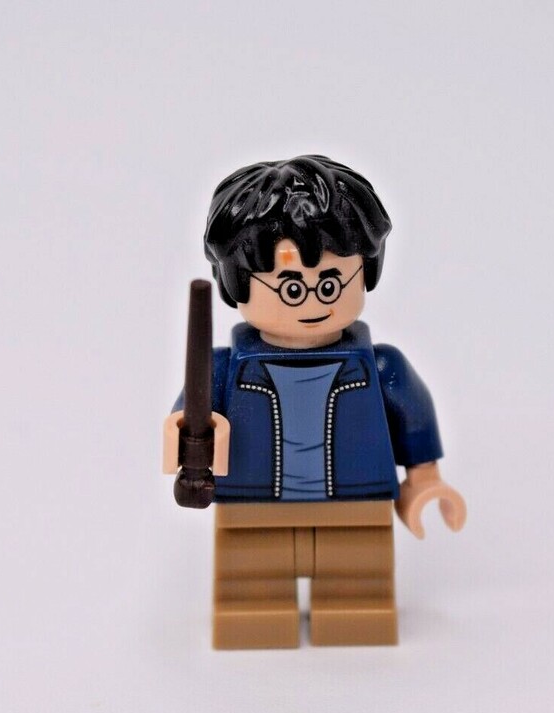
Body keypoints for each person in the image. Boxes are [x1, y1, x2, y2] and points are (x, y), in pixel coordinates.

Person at [164, 155, 466, 648]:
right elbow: (185, 422)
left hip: (356, 499)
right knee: (251, 584)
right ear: (236, 282)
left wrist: (424, 479)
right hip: (253, 503)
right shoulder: (222, 371)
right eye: (289, 287)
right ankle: (254, 613)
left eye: (329, 284)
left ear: (364, 273)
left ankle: (355, 612)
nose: (312, 301)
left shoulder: (379, 366)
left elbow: (412, 416)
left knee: (357, 582)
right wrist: (187, 446)